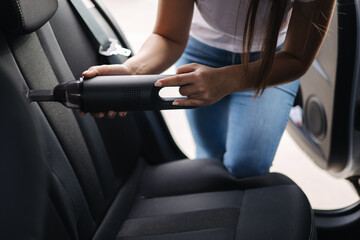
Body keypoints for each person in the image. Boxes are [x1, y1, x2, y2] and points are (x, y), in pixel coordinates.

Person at [82, 0, 336, 178]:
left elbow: (297, 57)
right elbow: (169, 36)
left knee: (248, 165)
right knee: (209, 158)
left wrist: (226, 80)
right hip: (199, 52)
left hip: (271, 62)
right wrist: (131, 71)